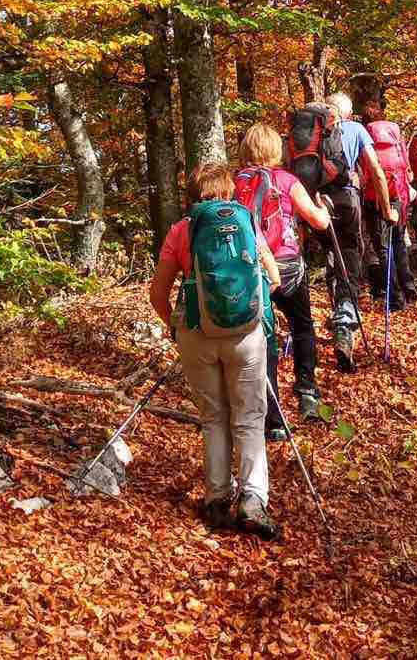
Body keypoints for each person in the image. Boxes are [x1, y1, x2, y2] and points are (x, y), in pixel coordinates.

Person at [148, 163, 282, 540]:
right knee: (250, 417)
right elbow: (274, 277)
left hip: (195, 333)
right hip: (245, 335)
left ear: (193, 194)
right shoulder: (245, 224)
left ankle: (217, 498)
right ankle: (253, 499)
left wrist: (175, 326)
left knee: (213, 417)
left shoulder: (182, 230)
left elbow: (158, 292)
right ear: (228, 191)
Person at [234, 123, 333, 432]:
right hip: (288, 267)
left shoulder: (234, 183)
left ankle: (271, 414)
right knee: (302, 326)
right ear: (276, 150)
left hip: (251, 270)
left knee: (263, 336)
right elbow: (318, 222)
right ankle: (307, 392)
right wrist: (324, 209)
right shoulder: (286, 180)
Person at [309, 91, 397, 371]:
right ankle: (344, 326)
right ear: (346, 113)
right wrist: (387, 210)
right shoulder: (356, 129)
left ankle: (338, 313)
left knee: (332, 260)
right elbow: (376, 170)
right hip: (346, 200)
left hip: (314, 202)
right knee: (349, 260)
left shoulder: (311, 130)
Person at [362, 98, 417, 311]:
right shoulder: (394, 129)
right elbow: (405, 159)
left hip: (375, 196)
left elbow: (365, 166)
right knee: (399, 242)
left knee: (383, 248)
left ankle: (393, 297)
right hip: (399, 192)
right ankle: (408, 285)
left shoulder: (365, 132)